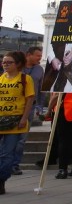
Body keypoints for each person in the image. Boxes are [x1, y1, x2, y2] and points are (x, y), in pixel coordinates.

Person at [0, 51, 35, 195]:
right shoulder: (1, 78)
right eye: (4, 62)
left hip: (15, 122)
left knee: (7, 155)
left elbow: (29, 100)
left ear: (18, 64)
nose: (5, 65)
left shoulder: (25, 79)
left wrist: (24, 118)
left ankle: (1, 179)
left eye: (9, 62)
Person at [10, 47, 44, 175]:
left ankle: (15, 165)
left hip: (30, 107)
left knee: (22, 139)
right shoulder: (17, 67)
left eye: (41, 56)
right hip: (14, 106)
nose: (39, 58)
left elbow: (41, 89)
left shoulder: (39, 69)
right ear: (28, 55)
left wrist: (40, 105)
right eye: (37, 55)